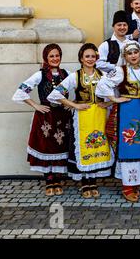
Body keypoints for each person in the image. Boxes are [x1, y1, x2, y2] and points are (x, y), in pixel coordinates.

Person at [48, 43, 114, 199]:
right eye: (87, 56)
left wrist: (108, 103)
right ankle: (85, 182)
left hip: (99, 115)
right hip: (82, 116)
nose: (90, 59)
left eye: (93, 56)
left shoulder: (103, 76)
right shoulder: (75, 76)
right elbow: (55, 95)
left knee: (98, 144)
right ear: (81, 59)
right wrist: (73, 105)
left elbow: (115, 94)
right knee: (84, 145)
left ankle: (93, 181)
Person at [12, 44, 72, 196]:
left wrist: (72, 104)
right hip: (46, 117)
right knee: (47, 146)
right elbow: (21, 91)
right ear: (46, 58)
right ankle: (49, 180)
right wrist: (36, 105)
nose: (55, 58)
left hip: (62, 117)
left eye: (57, 55)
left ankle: (57, 179)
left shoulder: (67, 74)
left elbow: (79, 88)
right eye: (51, 56)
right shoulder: (40, 75)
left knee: (60, 146)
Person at [96, 41, 140, 202]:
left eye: (136, 52)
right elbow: (102, 84)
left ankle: (136, 182)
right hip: (127, 111)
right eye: (130, 53)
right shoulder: (121, 71)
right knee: (129, 146)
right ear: (124, 56)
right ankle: (127, 186)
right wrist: (115, 99)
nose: (133, 55)